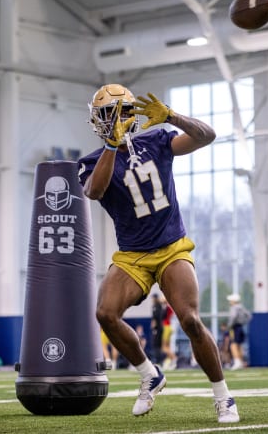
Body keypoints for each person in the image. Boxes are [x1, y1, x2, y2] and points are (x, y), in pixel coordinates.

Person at [77, 84, 239, 423]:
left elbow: (206, 136)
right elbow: (95, 190)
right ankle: (149, 373)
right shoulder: (92, 160)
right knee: (105, 313)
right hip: (132, 254)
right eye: (106, 114)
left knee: (191, 320)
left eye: (118, 113)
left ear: (131, 114)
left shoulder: (157, 140)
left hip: (170, 246)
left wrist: (173, 116)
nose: (112, 120)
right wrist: (112, 144)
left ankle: (224, 397)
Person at [226, 294, 251, 370]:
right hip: (241, 327)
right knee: (239, 345)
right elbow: (249, 316)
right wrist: (244, 322)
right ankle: (240, 362)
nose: (230, 302)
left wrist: (229, 325)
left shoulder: (234, 308)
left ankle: (237, 363)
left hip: (235, 328)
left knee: (233, 345)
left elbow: (233, 317)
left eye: (231, 300)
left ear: (234, 301)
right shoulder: (242, 307)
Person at [160, 297, 177, 370]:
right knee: (167, 347)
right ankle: (170, 361)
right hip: (168, 326)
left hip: (167, 327)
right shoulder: (167, 307)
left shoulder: (168, 307)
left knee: (164, 348)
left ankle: (174, 358)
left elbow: (162, 300)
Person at [150, 294, 164, 364]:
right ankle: (159, 360)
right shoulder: (160, 306)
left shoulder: (156, 306)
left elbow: (154, 319)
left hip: (157, 328)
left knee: (156, 345)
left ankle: (158, 360)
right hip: (160, 328)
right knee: (158, 345)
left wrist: (153, 328)